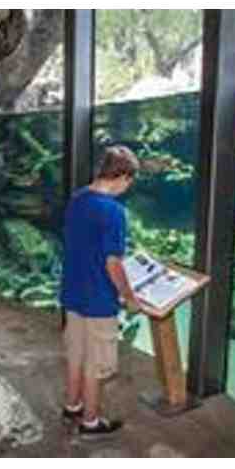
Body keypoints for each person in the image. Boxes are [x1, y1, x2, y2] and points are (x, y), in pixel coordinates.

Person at [59, 145, 141, 439]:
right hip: (99, 300)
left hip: (72, 293)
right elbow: (112, 263)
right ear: (122, 176)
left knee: (76, 355)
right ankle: (90, 423)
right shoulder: (114, 212)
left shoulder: (77, 199)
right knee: (96, 365)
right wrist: (129, 297)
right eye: (129, 181)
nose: (127, 188)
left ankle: (72, 406)